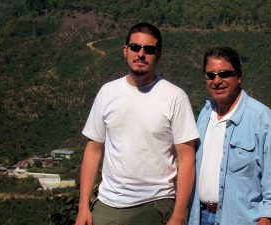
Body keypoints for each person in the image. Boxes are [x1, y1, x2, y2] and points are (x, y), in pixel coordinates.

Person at [75, 22, 199, 225]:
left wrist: (178, 215)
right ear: (125, 51)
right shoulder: (107, 92)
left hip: (154, 206)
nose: (141, 54)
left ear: (158, 55)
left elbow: (187, 159)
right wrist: (83, 207)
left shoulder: (175, 97)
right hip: (106, 206)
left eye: (149, 50)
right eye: (135, 47)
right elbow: (93, 149)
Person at [188, 47, 271, 225]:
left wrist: (266, 219)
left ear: (239, 77)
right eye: (210, 75)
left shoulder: (263, 119)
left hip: (243, 220)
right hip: (201, 216)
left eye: (224, 74)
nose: (217, 81)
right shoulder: (204, 115)